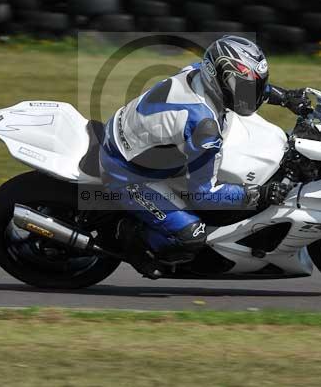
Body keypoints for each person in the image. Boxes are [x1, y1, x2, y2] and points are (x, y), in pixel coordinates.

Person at [99, 35, 308, 278]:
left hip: (134, 140)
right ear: (218, 78)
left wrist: (284, 97)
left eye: (255, 86)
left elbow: (243, 87)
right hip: (125, 172)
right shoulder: (204, 125)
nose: (251, 94)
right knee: (192, 236)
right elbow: (203, 194)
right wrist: (257, 195)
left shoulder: (199, 72)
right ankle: (127, 233)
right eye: (245, 88)